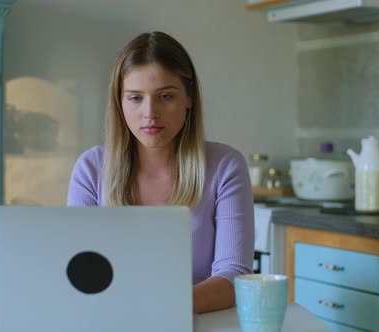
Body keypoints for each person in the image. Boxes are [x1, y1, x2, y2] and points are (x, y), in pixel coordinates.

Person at [67, 31, 254, 314]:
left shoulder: (226, 166)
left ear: (189, 98)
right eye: (135, 98)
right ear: (119, 102)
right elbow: (79, 271)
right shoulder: (91, 168)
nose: (150, 112)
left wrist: (162, 306)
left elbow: (234, 276)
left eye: (165, 96)